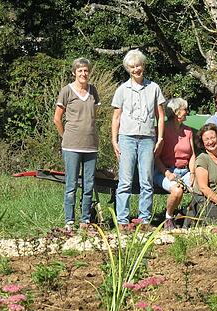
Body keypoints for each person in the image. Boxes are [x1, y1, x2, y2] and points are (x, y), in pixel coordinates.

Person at [111, 49, 166, 226]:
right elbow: (116, 117)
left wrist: (160, 138)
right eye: (133, 67)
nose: (136, 69)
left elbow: (160, 115)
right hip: (126, 137)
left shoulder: (154, 88)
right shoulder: (122, 90)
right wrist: (114, 140)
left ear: (143, 66)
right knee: (125, 181)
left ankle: (144, 220)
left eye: (139, 65)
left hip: (147, 138)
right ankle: (122, 220)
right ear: (128, 69)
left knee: (146, 181)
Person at [53, 57, 101, 230]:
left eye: (86, 70)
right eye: (80, 71)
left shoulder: (93, 91)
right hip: (71, 145)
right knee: (71, 185)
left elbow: (94, 114)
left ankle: (85, 219)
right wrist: (64, 136)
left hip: (91, 145)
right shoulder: (66, 91)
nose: (83, 73)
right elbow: (57, 118)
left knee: (88, 185)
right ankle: (69, 220)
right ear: (74, 72)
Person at [153, 97, 195, 230]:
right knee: (177, 191)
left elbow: (193, 154)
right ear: (176, 112)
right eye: (184, 109)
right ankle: (168, 218)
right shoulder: (163, 130)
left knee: (201, 187)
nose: (187, 112)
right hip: (165, 171)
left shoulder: (188, 131)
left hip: (185, 171)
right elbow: (155, 157)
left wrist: (193, 173)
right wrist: (167, 173)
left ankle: (188, 214)